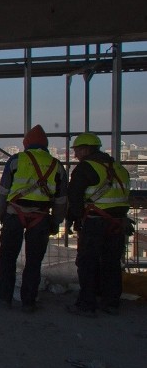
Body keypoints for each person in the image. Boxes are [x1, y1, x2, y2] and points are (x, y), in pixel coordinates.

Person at [0, 125, 67, 312]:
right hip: (41, 217)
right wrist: (56, 221)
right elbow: (60, 199)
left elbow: (3, 192)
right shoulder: (56, 165)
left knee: (8, 258)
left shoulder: (16, 161)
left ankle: (3, 298)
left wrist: (1, 213)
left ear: (26, 144)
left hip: (14, 214)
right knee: (34, 261)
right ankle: (28, 301)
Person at [65, 132, 131, 317]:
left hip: (95, 221)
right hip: (117, 222)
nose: (76, 155)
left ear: (86, 149)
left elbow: (74, 197)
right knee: (111, 263)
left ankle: (86, 304)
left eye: (77, 150)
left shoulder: (85, 168)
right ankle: (111, 302)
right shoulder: (118, 167)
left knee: (87, 262)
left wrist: (74, 219)